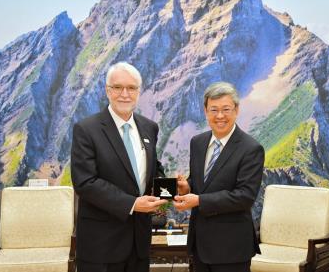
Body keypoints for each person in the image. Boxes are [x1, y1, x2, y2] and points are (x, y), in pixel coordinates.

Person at [71, 62, 167, 272]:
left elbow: (153, 169)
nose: (125, 94)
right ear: (107, 90)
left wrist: (170, 189)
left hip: (139, 243)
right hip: (101, 245)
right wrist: (132, 204)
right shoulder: (86, 130)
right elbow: (85, 183)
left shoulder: (149, 127)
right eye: (117, 87)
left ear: (139, 92)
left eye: (131, 88)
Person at [174, 82, 265, 272]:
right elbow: (201, 182)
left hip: (231, 247)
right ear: (206, 111)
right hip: (200, 244)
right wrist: (187, 187)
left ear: (236, 110)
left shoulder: (251, 149)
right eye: (214, 110)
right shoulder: (197, 143)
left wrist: (198, 200)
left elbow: (244, 197)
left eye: (226, 109)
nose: (220, 116)